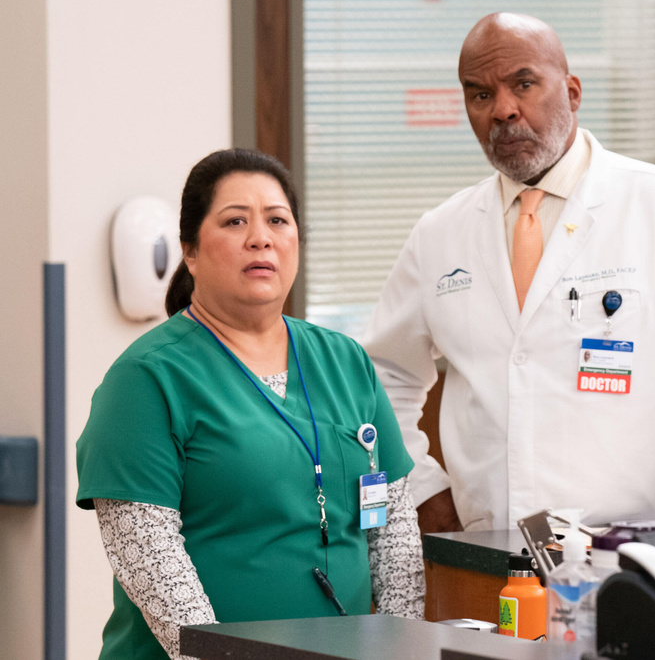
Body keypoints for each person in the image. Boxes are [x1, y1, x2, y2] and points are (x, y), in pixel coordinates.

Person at [362, 12, 655, 534]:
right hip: (491, 555)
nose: (503, 110)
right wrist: (421, 490)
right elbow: (381, 379)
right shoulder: (441, 233)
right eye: (480, 94)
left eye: (523, 84)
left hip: (643, 550)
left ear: (572, 92)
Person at [76, 148, 424, 660]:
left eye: (277, 220)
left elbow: (394, 531)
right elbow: (150, 560)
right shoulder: (147, 379)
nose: (260, 237)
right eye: (235, 220)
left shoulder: (346, 361)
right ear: (190, 251)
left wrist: (398, 645)